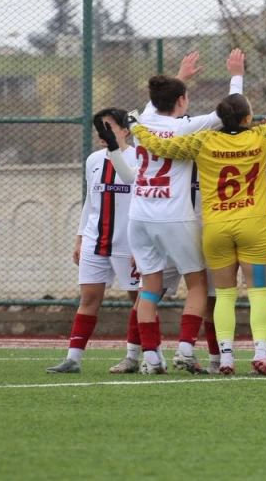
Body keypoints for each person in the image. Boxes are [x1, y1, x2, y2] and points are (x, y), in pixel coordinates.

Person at [130, 63, 266, 376]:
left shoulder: (203, 141)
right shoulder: (260, 136)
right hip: (253, 223)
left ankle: (225, 359)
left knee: (224, 295)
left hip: (216, 227)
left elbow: (160, 146)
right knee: (257, 293)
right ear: (248, 118)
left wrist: (136, 127)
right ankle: (261, 355)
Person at [127, 50, 244, 374]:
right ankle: (184, 350)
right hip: (174, 216)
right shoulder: (187, 127)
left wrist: (180, 74)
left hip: (138, 215)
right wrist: (236, 73)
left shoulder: (144, 120)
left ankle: (152, 359)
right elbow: (233, 107)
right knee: (196, 286)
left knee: (149, 288)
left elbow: (158, 99)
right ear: (180, 100)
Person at [45, 109, 179, 374]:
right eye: (99, 127)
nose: (102, 133)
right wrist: (80, 237)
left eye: (108, 126)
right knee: (88, 298)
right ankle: (73, 359)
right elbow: (90, 203)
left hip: (128, 243)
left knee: (141, 302)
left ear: (125, 130)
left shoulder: (138, 159)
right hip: (96, 242)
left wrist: (145, 245)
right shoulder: (93, 160)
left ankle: (150, 356)